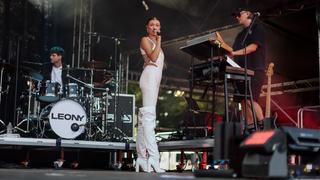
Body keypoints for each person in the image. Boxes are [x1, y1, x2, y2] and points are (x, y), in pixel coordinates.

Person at [135, 17, 165, 173]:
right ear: (147, 27)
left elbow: (154, 61)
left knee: (144, 119)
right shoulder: (145, 39)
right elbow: (153, 57)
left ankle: (141, 156)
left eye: (158, 25)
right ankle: (154, 157)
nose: (155, 27)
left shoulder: (155, 43)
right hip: (149, 78)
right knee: (149, 117)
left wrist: (147, 60)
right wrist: (159, 40)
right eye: (152, 25)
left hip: (155, 78)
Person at [230, 9, 266, 130]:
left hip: (255, 70)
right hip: (240, 73)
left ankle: (265, 126)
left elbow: (253, 47)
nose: (237, 17)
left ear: (248, 14)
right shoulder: (240, 35)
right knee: (243, 102)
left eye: (239, 14)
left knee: (250, 99)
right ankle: (250, 129)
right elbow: (232, 52)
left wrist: (233, 52)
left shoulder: (257, 28)